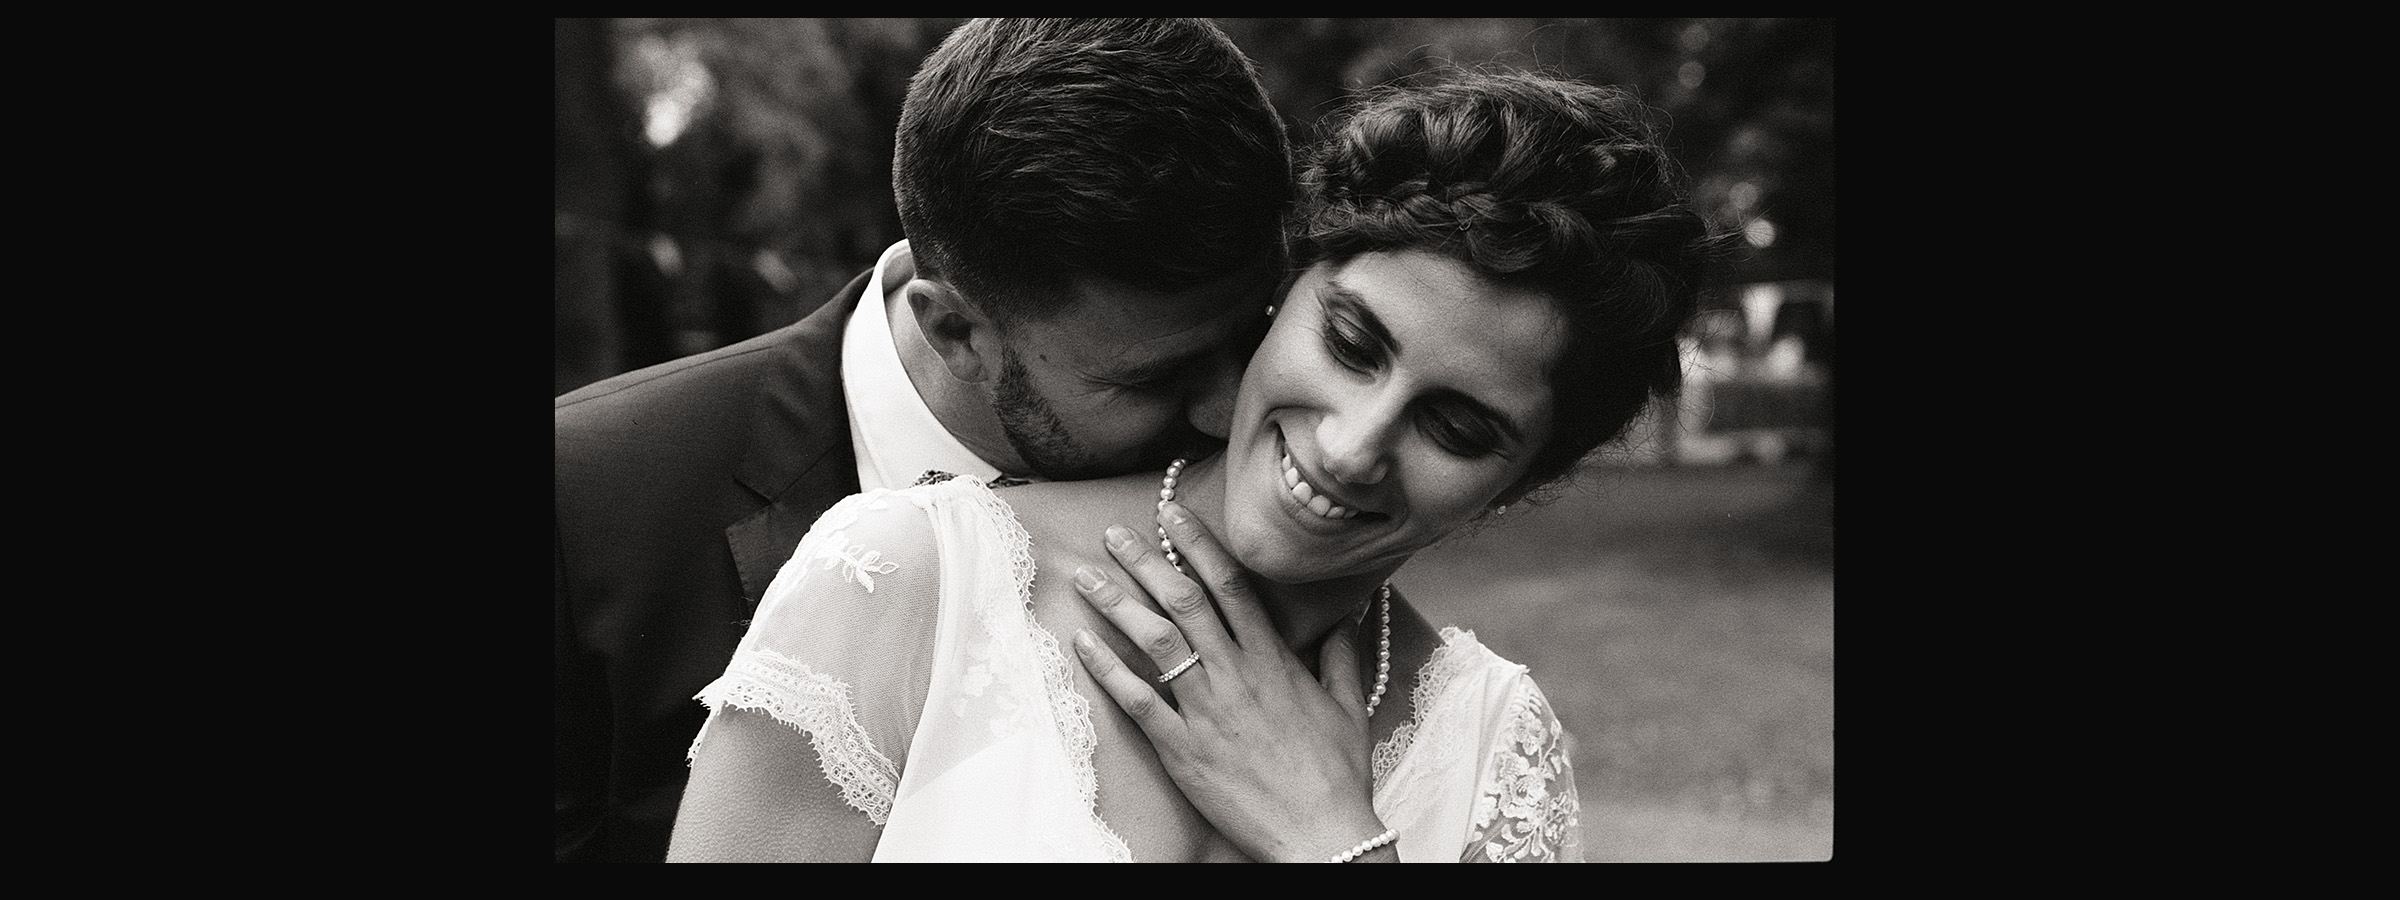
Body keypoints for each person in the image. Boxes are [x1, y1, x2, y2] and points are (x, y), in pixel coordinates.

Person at [667, 68, 1722, 862]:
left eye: (1456, 428)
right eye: (1351, 344)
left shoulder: (1495, 743)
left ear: (1521, 481)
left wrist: (1332, 839)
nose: (1352, 444)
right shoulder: (908, 581)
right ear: (1282, 292)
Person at [554, 18, 1293, 863]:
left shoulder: (1268, 517)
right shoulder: (582, 505)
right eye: (1156, 379)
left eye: (1256, 333)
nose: (1233, 411)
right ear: (953, 330)